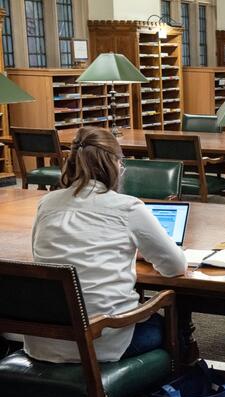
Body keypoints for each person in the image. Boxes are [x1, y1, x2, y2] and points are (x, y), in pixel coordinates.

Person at [27, 127, 187, 363]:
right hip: (99, 340)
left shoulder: (46, 203)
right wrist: (139, 254)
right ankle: (150, 396)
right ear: (114, 164)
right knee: (177, 329)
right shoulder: (128, 207)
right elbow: (175, 266)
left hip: (45, 339)